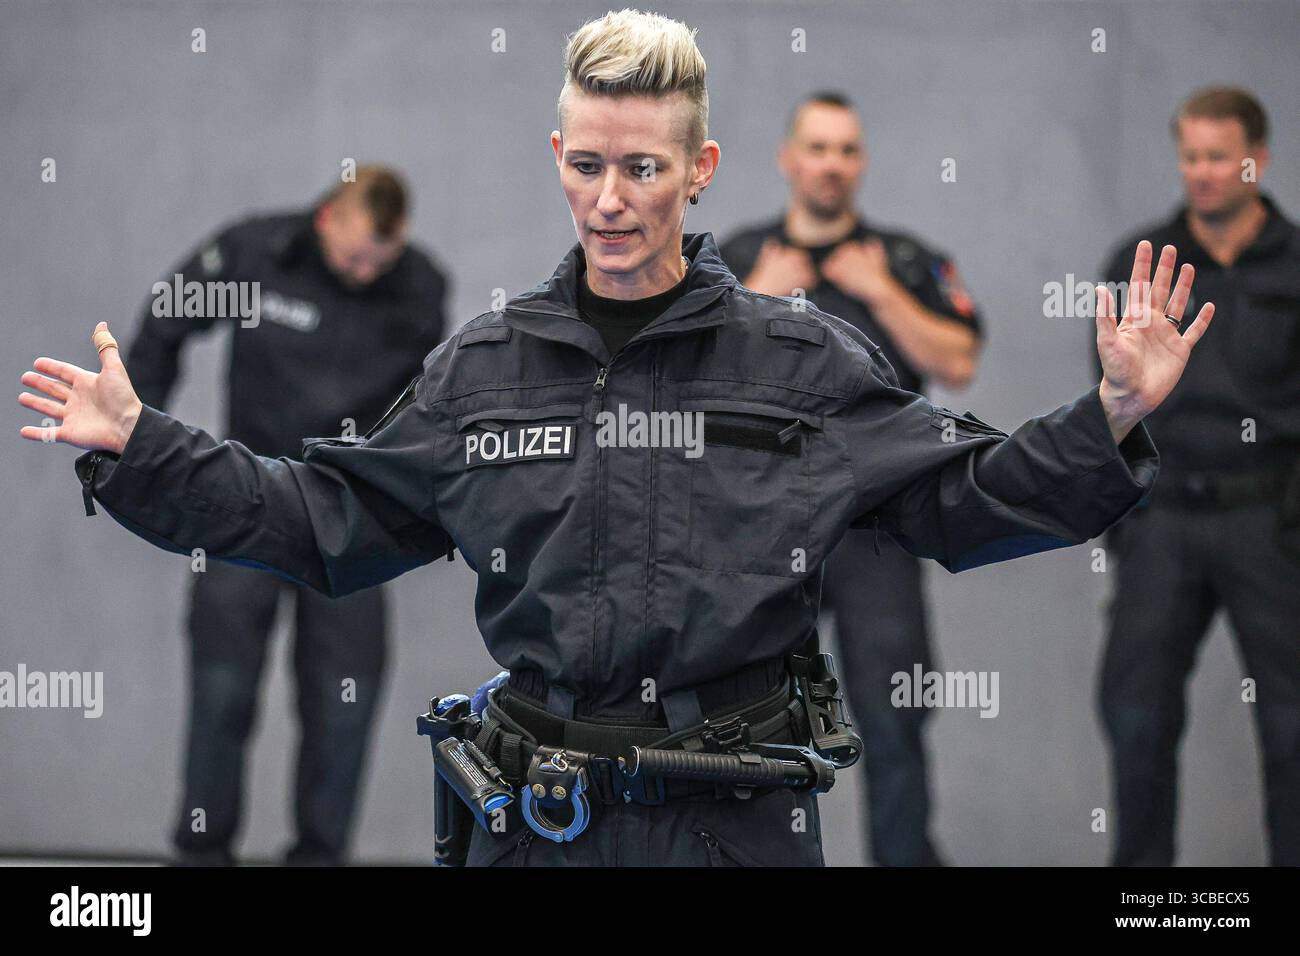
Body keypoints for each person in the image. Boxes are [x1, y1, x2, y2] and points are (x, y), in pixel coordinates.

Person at [21, 9, 1212, 867]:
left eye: (642, 168)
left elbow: (964, 495)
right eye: (587, 165)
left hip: (729, 822)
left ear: (696, 171)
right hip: (534, 819)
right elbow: (318, 517)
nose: (610, 199)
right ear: (558, 161)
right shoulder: (482, 368)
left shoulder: (798, 360)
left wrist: (1106, 416)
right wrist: (144, 447)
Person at [125, 167, 449, 865]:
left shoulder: (420, 286)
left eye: (380, 262)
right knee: (222, 693)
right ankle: (201, 853)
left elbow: (429, 410)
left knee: (344, 705)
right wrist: (141, 446)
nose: (366, 272)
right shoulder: (256, 254)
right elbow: (162, 325)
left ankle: (320, 855)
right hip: (242, 507)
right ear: (330, 216)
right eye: (357, 254)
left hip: (349, 521)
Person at [719, 91, 982, 866]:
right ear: (788, 158)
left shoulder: (903, 260)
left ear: (859, 162)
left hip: (876, 533)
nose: (831, 164)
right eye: (817, 147)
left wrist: (880, 293)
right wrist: (754, 301)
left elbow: (957, 362)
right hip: (763, 534)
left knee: (893, 719)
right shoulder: (736, 260)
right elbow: (689, 384)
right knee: (745, 725)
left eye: (845, 149)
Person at [1095, 87, 1300, 867]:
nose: (1204, 173)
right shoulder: (1140, 265)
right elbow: (1110, 413)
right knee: (1136, 717)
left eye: (1220, 157)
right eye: (1191, 157)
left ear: (1258, 158)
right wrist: (1126, 522)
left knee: (1291, 726)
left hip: (1271, 522)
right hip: (1165, 520)